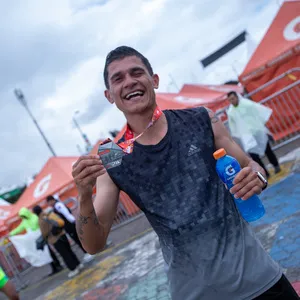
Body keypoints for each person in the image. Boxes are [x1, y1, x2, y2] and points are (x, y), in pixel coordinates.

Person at [71, 46, 299, 299]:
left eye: (137, 72)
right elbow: (94, 243)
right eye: (118, 78)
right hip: (195, 293)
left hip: (259, 278)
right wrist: (83, 195)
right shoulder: (113, 156)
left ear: (154, 80)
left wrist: (257, 177)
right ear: (109, 95)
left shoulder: (201, 119)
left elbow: (250, 165)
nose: (130, 81)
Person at [227, 91, 281, 178]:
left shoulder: (247, 104)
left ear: (237, 97)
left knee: (267, 150)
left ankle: (276, 165)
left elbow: (258, 112)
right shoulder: (231, 112)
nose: (232, 101)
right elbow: (233, 125)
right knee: (254, 156)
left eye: (233, 98)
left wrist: (262, 127)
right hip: (247, 136)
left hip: (257, 131)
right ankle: (264, 173)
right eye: (230, 100)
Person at [9, 207, 63, 276]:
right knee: (44, 253)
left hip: (42, 237)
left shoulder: (35, 217)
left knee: (49, 252)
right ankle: (53, 267)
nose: (23, 217)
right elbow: (19, 229)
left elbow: (41, 225)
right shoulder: (24, 221)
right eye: (22, 216)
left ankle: (57, 265)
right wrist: (11, 234)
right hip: (37, 240)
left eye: (24, 215)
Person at [32, 205, 81, 278]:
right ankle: (78, 264)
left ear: (35, 213)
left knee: (64, 255)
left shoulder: (40, 220)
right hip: (62, 234)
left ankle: (73, 269)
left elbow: (44, 233)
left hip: (55, 239)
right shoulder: (48, 213)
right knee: (69, 250)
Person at [46, 195, 95, 263]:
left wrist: (73, 222)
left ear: (52, 200)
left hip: (70, 225)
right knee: (78, 239)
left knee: (78, 239)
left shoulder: (58, 206)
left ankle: (88, 252)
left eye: (49, 202)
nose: (49, 204)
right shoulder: (56, 206)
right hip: (69, 224)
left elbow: (66, 214)